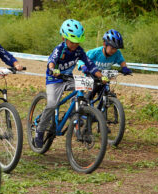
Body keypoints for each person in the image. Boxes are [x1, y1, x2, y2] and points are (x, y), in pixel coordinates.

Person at [34, 19, 108, 148]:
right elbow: (51, 61)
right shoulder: (60, 49)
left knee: (85, 87)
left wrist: (101, 77)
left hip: (68, 78)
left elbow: (90, 64)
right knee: (52, 104)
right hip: (54, 80)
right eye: (72, 41)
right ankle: (40, 130)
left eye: (77, 41)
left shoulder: (79, 51)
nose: (75, 44)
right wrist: (52, 69)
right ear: (64, 37)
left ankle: (77, 112)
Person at [77, 29, 132, 100]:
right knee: (90, 95)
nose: (114, 51)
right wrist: (83, 66)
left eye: (116, 49)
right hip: (92, 76)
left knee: (105, 94)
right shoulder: (95, 52)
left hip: (104, 77)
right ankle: (85, 106)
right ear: (104, 45)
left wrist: (124, 68)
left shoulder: (117, 53)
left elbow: (121, 61)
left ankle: (102, 108)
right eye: (112, 48)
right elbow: (82, 59)